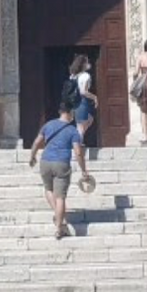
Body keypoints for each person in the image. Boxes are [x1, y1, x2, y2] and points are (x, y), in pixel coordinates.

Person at [28, 100, 89, 239]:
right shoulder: (72, 130)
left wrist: (32, 156)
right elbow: (78, 152)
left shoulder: (48, 125)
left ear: (60, 112)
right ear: (70, 113)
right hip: (61, 163)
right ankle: (59, 228)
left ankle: (59, 217)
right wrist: (84, 170)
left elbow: (38, 141)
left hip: (45, 161)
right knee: (60, 197)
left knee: (49, 190)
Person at [67, 53, 97, 143]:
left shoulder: (72, 76)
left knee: (89, 120)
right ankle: (78, 146)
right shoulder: (86, 76)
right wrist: (95, 97)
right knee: (80, 127)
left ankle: (78, 140)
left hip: (74, 101)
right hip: (82, 101)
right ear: (83, 64)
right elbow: (83, 91)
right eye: (87, 62)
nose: (89, 64)